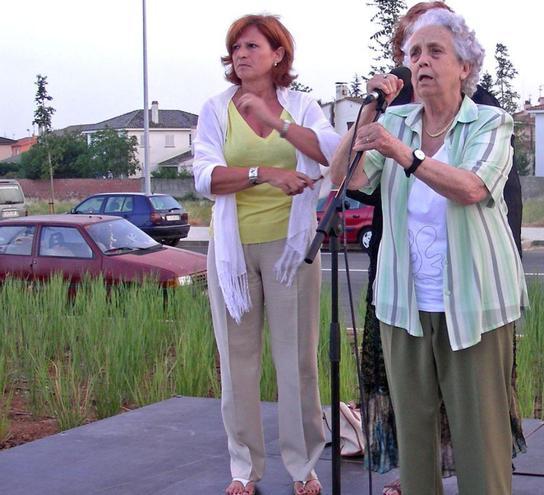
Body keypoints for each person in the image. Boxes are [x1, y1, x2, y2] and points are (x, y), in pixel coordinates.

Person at [330, 9, 527, 495]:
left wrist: (406, 154)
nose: (421, 61)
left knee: (482, 443)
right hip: (403, 306)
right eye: (414, 53)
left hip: (473, 307)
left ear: (464, 66)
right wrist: (366, 115)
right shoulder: (395, 119)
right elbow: (345, 179)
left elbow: (471, 188)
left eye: (435, 51)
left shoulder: (491, 123)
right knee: (415, 447)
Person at [192, 14, 340, 495]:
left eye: (252, 45)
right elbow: (205, 177)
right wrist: (262, 173)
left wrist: (277, 123)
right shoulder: (215, 109)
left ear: (278, 54)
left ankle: (303, 466)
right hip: (233, 250)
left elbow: (329, 153)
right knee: (237, 362)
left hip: (290, 247)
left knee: (297, 358)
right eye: (236, 46)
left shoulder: (301, 105)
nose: (241, 53)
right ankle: (244, 468)